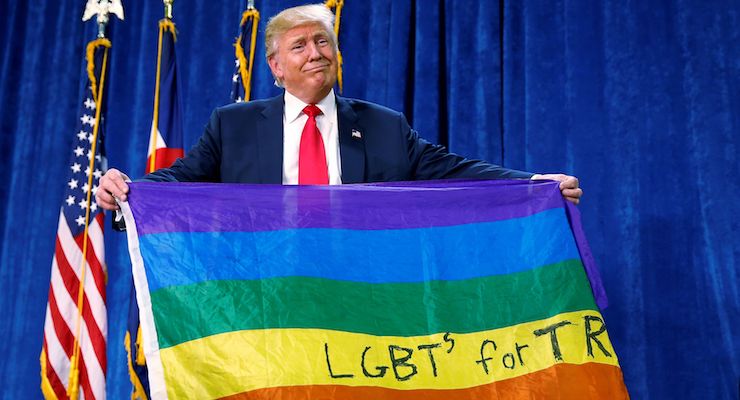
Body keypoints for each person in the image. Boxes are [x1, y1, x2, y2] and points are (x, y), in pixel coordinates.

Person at [96, 4, 582, 211]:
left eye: (323, 41)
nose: (316, 53)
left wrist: (533, 185)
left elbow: (455, 170)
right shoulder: (234, 126)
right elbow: (182, 179)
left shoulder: (383, 126)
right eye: (301, 45)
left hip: (356, 295)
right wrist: (127, 190)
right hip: (266, 292)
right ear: (275, 66)